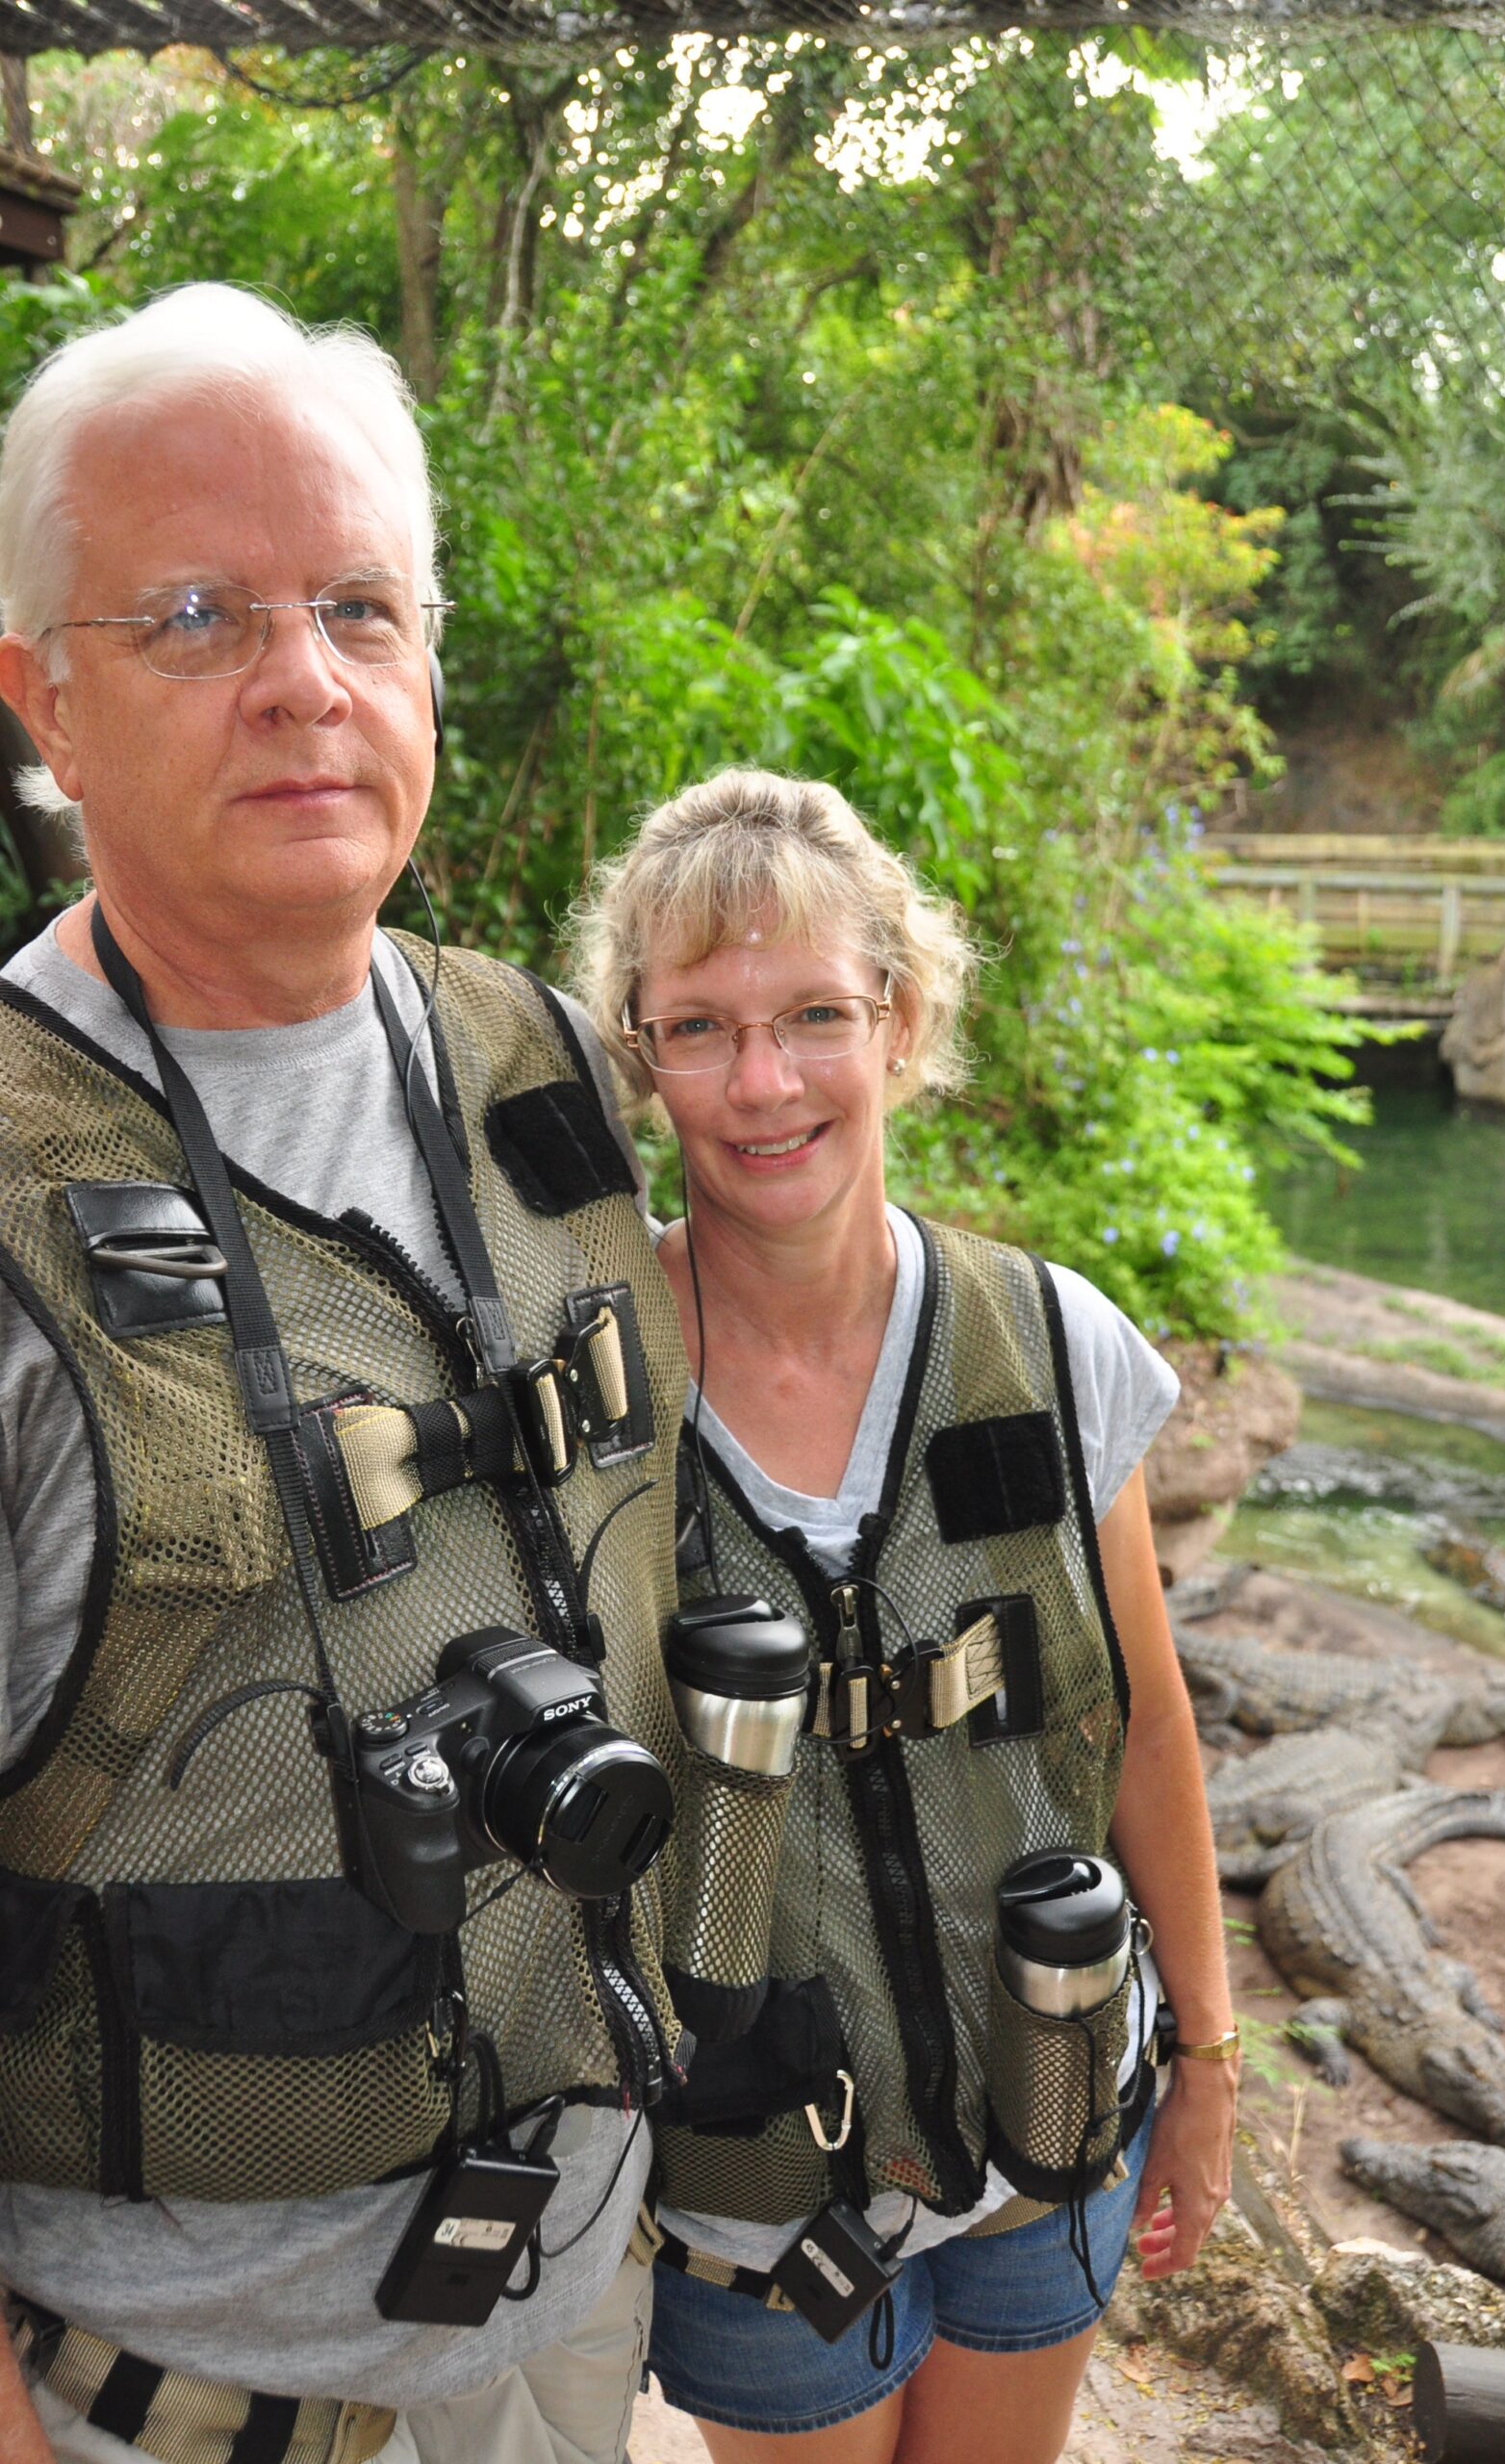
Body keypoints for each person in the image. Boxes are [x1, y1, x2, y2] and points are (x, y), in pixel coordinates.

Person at [0, 285, 690, 2464]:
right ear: (45, 702)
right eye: (196, 615)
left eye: (360, 608)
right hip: (170, 2405)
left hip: (579, 2317)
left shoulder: (541, 1060)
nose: (305, 679)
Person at [573, 771, 1240, 2464]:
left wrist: (1211, 2062)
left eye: (814, 1013)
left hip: (1054, 2117)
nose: (765, 1083)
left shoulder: (1053, 1341)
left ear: (902, 1015)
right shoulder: (592, 1395)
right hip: (754, 2195)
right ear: (640, 1055)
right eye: (701, 1028)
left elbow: (1144, 1728)